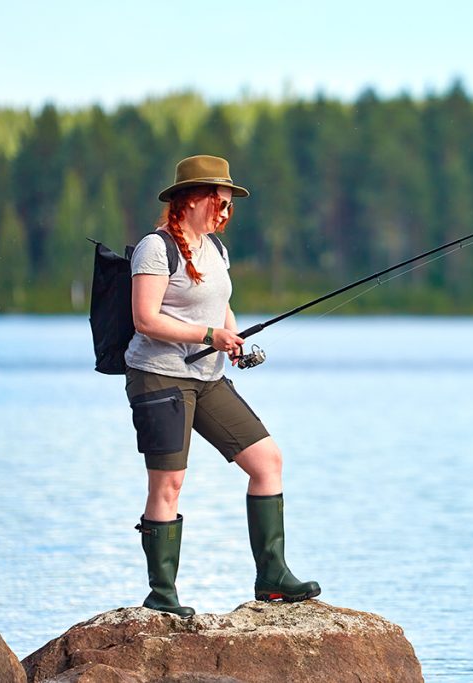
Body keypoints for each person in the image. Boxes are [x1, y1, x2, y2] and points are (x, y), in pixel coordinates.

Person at [125, 154, 320, 617]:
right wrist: (209, 335)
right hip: (159, 376)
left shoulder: (216, 249)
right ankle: (162, 596)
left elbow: (220, 307)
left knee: (266, 460)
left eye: (230, 205)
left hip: (209, 377)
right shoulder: (155, 248)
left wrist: (231, 338)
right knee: (169, 483)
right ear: (192, 199)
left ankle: (272, 578)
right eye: (221, 202)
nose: (226, 213)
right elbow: (145, 319)